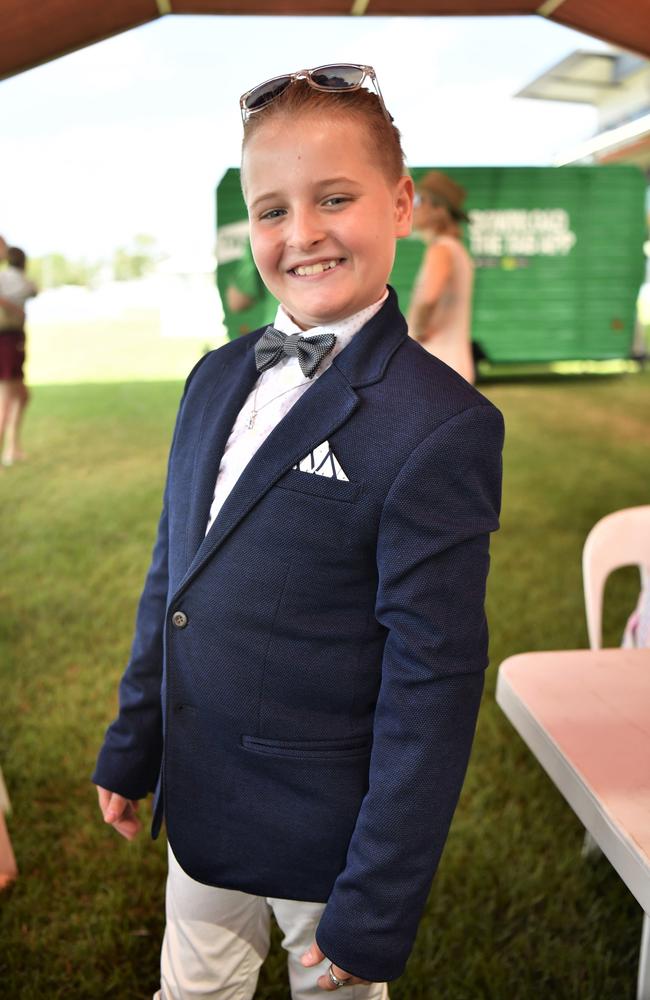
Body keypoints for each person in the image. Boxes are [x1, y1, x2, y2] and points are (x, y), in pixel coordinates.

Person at [93, 64, 504, 999]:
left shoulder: (440, 426)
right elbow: (176, 574)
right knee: (193, 987)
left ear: (400, 202)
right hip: (203, 802)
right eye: (271, 210)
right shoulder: (214, 377)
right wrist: (134, 741)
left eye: (334, 198)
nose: (303, 233)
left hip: (330, 835)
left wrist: (380, 897)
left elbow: (432, 682)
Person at [407, 171, 475, 383]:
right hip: (450, 366)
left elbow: (428, 297)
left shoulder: (441, 250)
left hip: (437, 366)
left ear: (438, 209)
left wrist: (414, 333)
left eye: (418, 200)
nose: (411, 206)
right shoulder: (455, 249)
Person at [0, 246, 36, 467]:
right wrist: (14, 308)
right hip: (6, 340)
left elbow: (34, 289)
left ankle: (12, 448)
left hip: (14, 340)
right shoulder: (9, 278)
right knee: (5, 401)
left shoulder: (17, 279)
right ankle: (8, 450)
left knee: (22, 395)